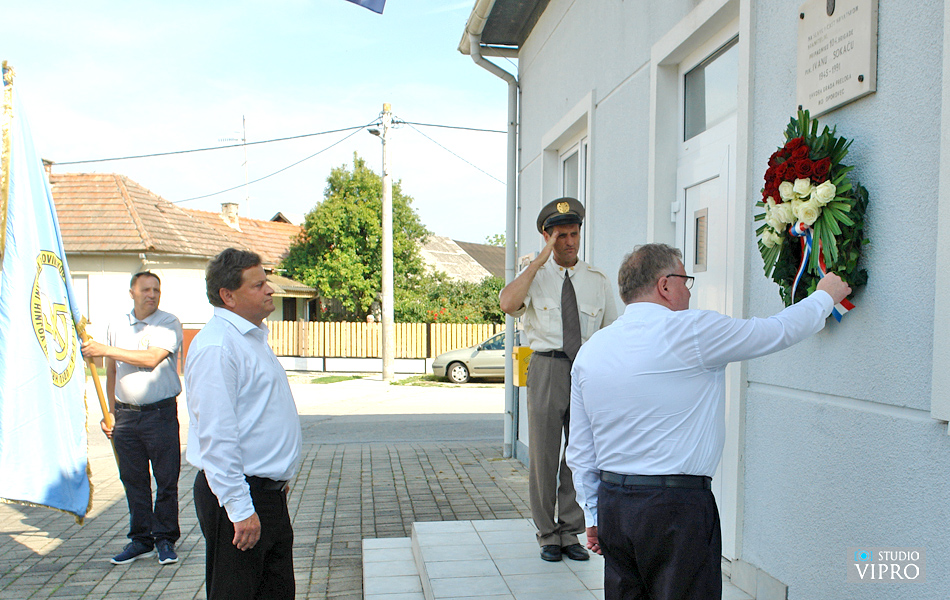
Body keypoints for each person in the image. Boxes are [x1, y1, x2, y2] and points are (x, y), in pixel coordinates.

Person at [566, 243, 852, 600]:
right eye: (685, 280)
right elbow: (776, 331)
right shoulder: (692, 331)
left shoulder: (591, 350)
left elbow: (580, 448)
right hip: (675, 508)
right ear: (665, 284)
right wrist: (825, 296)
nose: (688, 291)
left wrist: (593, 513)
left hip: (614, 505)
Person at [499, 197, 618, 562]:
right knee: (544, 455)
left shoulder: (597, 280)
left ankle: (570, 531)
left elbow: (611, 332)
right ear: (547, 237)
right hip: (547, 368)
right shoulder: (534, 277)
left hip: (585, 369)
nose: (569, 242)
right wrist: (538, 261)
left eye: (574, 234)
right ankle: (547, 533)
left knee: (579, 454)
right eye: (561, 235)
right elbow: (508, 304)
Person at [185, 248, 302, 600]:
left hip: (266, 494)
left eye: (266, 282)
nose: (270, 290)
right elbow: (216, 437)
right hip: (239, 498)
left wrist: (275, 476)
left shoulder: (250, 338)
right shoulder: (218, 347)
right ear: (228, 296)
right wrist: (240, 507)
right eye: (258, 285)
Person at [80, 271, 183, 566]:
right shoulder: (117, 325)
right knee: (133, 480)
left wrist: (104, 349)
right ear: (132, 293)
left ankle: (165, 538)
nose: (152, 295)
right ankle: (141, 539)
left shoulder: (167, 322)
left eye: (156, 290)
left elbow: (151, 358)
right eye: (146, 289)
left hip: (160, 414)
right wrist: (110, 412)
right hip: (126, 415)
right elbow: (112, 370)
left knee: (166, 480)